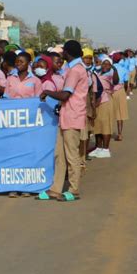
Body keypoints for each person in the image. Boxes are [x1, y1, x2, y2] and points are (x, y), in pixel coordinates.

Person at [37, 40, 88, 202]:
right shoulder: (73, 68)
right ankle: (56, 188)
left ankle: (74, 189)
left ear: (67, 52)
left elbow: (66, 94)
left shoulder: (76, 70)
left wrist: (47, 91)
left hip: (73, 115)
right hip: (66, 115)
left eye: (63, 52)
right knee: (60, 154)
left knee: (72, 155)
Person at [88, 55, 119, 159]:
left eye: (108, 64)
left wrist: (114, 70)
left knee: (106, 124)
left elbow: (115, 81)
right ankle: (98, 147)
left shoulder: (111, 74)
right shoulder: (98, 72)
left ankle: (105, 149)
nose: (105, 65)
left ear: (111, 65)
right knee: (98, 124)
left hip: (106, 100)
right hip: (97, 101)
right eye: (104, 63)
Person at [112, 53, 129, 141]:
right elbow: (126, 82)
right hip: (120, 90)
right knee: (120, 114)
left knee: (109, 113)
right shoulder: (124, 69)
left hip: (110, 91)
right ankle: (119, 134)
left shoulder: (109, 67)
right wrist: (125, 91)